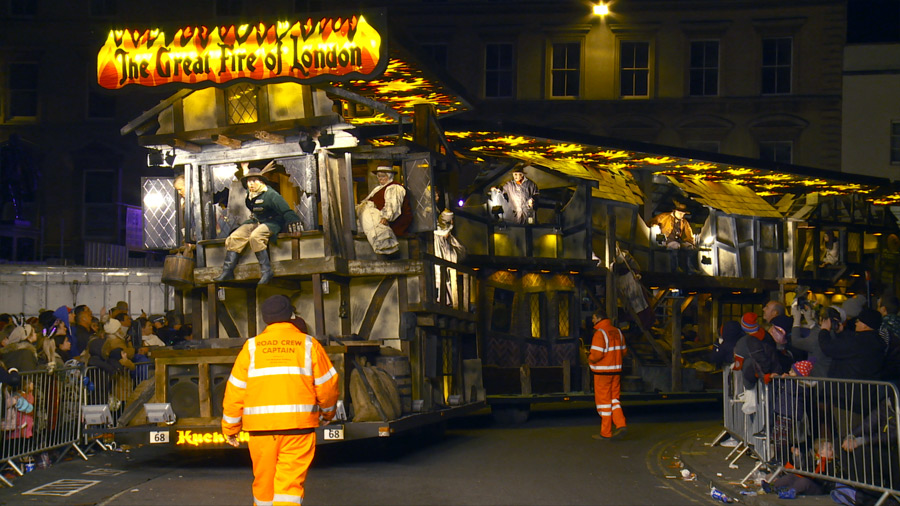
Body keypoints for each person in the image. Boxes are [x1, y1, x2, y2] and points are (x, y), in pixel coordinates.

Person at [222, 294, 340, 506]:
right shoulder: (309, 345)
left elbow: (235, 391)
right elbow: (327, 385)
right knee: (289, 488)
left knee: (263, 486)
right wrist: (327, 414)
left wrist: (230, 428)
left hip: (261, 431)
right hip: (298, 429)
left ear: (265, 319)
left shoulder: (251, 347)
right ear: (291, 316)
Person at [215, 161, 303, 285]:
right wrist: (245, 168)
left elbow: (286, 210)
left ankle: (266, 271)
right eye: (249, 181)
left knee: (255, 237)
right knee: (234, 237)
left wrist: (294, 223)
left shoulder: (271, 195)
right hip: (256, 220)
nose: (250, 184)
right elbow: (246, 184)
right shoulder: (251, 193)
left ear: (261, 182)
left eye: (254, 181)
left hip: (272, 222)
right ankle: (228, 271)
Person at [587, 308, 627, 440]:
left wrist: (589, 358)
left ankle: (606, 433)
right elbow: (624, 351)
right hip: (616, 372)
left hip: (603, 374)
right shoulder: (618, 332)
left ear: (598, 318)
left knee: (604, 403)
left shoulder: (600, 333)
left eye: (593, 317)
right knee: (614, 400)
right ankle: (621, 424)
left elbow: (597, 355)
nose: (592, 320)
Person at [356, 165, 412, 256]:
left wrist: (386, 217)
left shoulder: (394, 188)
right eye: (379, 176)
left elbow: (393, 204)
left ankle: (386, 246)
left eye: (383, 176)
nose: (380, 178)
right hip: (377, 217)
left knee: (380, 231)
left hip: (395, 223)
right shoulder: (377, 189)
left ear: (389, 176)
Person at [610, 243, 653, 331]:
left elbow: (635, 266)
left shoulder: (625, 256)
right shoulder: (610, 261)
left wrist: (636, 274)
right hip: (619, 281)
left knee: (637, 301)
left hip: (630, 279)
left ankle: (641, 323)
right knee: (624, 303)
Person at [649, 201, 698, 273]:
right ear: (675, 211)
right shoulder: (664, 217)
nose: (682, 215)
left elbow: (689, 233)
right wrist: (654, 226)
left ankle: (690, 268)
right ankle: (675, 268)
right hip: (667, 240)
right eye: (680, 213)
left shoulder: (684, 222)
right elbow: (652, 222)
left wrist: (691, 243)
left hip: (678, 241)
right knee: (675, 245)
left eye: (683, 214)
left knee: (690, 247)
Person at [433, 209, 466, 306]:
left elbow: (460, 252)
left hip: (445, 270)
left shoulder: (447, 237)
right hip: (439, 270)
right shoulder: (437, 236)